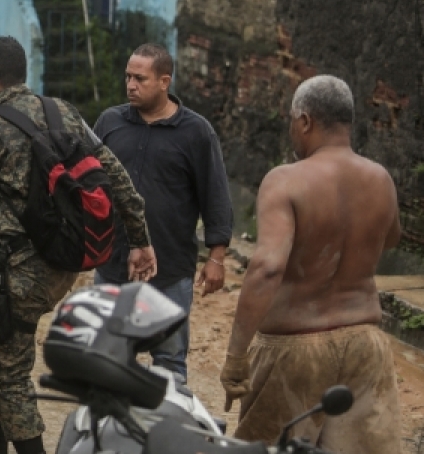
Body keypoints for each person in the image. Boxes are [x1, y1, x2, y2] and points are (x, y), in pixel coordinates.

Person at [0, 36, 156, 454]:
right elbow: (120, 183)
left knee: (6, 370)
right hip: (63, 262)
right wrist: (141, 242)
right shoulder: (63, 113)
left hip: (16, 268)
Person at [221, 75, 402, 451]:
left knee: (270, 447)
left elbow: (267, 268)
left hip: (296, 350)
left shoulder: (285, 181)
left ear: (305, 121)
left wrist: (236, 356)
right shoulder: (380, 179)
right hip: (365, 344)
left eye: (291, 121)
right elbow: (391, 237)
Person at [93, 43, 233, 381]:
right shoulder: (110, 123)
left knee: (169, 367)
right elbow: (87, 183)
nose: (130, 85)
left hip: (169, 273)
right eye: (128, 76)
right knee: (106, 363)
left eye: (140, 78)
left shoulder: (196, 132)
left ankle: (163, 432)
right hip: (112, 269)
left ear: (164, 81)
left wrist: (216, 258)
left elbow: (215, 196)